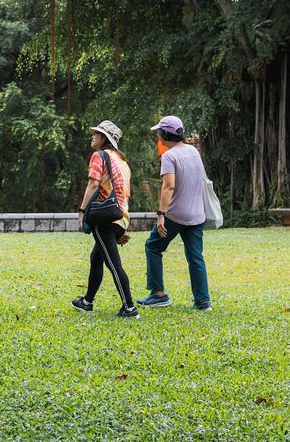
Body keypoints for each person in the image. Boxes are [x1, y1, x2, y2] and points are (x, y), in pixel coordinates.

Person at [138, 115, 211, 310]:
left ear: (165, 133)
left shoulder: (169, 156)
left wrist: (161, 215)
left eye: (159, 132)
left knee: (153, 246)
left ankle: (158, 294)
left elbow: (168, 187)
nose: (158, 135)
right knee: (196, 256)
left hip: (176, 214)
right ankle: (203, 301)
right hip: (196, 214)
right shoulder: (193, 151)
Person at [71, 120, 139, 319]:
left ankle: (129, 308)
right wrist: (122, 226)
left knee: (113, 263)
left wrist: (82, 210)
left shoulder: (98, 156)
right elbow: (123, 193)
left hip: (104, 217)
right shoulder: (122, 161)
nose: (93, 136)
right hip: (120, 217)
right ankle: (87, 301)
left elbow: (93, 184)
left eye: (96, 133)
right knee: (96, 258)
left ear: (104, 138)